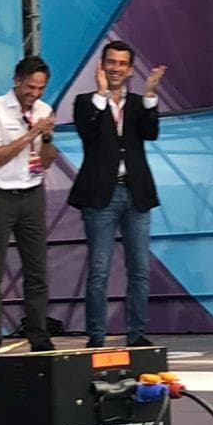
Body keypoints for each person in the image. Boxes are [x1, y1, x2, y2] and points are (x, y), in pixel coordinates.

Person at [68, 41, 166, 349]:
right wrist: (100, 95)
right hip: (101, 197)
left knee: (139, 270)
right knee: (99, 270)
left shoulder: (138, 103)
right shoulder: (86, 101)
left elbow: (150, 133)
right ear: (102, 65)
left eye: (122, 64)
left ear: (129, 69)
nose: (116, 68)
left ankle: (136, 335)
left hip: (136, 194)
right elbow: (88, 132)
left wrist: (150, 94)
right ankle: (96, 337)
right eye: (111, 62)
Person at [0, 56, 58, 355]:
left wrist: (47, 138)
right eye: (30, 87)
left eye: (40, 88)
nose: (34, 93)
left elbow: (47, 162)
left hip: (32, 194)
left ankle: (39, 336)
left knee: (37, 270)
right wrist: (32, 134)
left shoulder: (44, 111)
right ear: (17, 80)